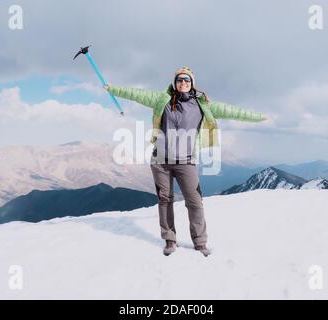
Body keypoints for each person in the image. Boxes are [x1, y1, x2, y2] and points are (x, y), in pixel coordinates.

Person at [104, 66, 267, 257]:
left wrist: (257, 117)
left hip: (186, 161)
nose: (183, 83)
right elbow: (136, 94)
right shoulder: (161, 99)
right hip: (160, 160)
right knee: (165, 200)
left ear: (192, 84)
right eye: (180, 80)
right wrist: (112, 89)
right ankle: (170, 240)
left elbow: (230, 110)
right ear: (175, 82)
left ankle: (200, 242)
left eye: (187, 80)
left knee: (195, 201)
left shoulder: (202, 105)